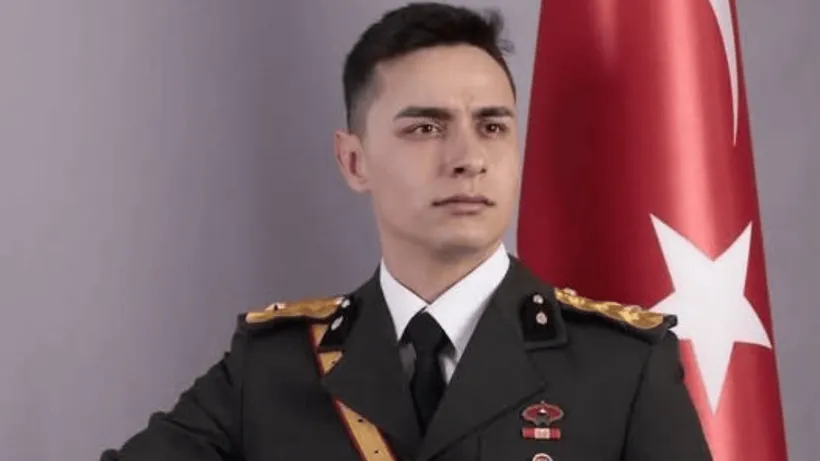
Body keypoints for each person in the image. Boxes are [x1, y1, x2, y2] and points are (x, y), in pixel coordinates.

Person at [100, 3, 712, 460]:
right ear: (354, 161)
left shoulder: (621, 369)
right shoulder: (272, 369)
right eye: (426, 128)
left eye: (493, 127)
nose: (468, 158)